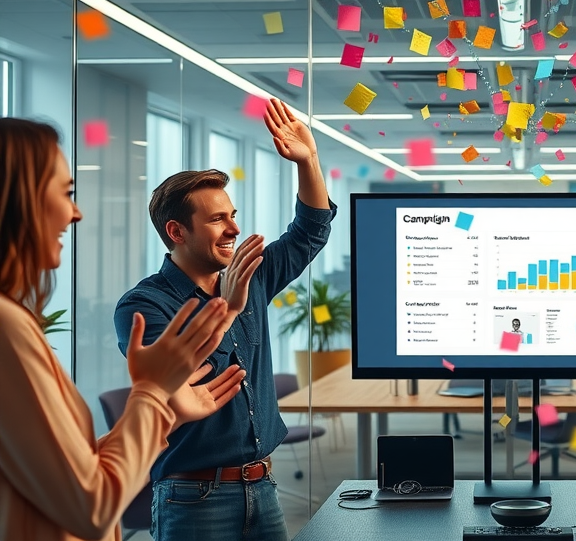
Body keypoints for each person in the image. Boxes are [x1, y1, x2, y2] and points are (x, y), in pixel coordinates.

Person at [0, 117, 245, 541]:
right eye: (65, 193)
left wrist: (164, 410)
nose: (75, 212)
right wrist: (152, 393)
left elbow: (70, 476)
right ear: (15, 202)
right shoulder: (8, 328)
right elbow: (91, 506)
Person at [113, 99, 336, 541]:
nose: (234, 229)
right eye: (218, 219)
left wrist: (308, 160)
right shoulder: (143, 306)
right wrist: (229, 307)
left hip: (262, 486)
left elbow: (310, 231)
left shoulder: (249, 278)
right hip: (193, 497)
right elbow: (179, 385)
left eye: (233, 216)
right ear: (177, 232)